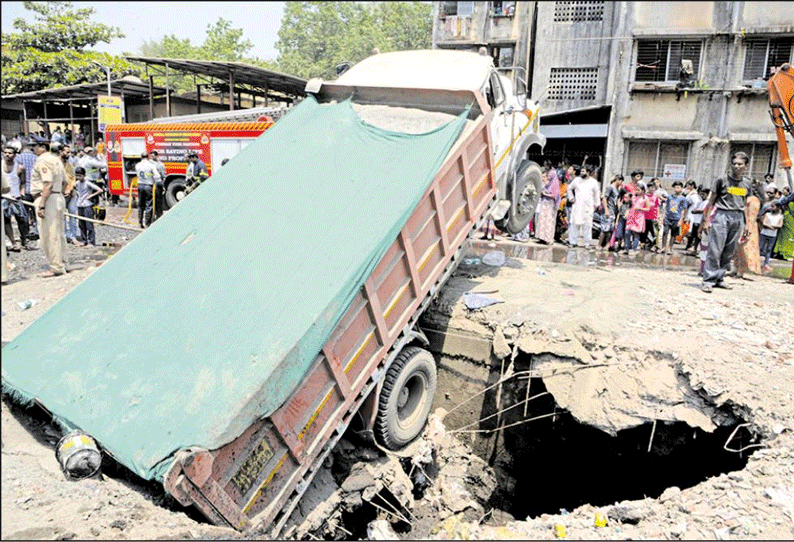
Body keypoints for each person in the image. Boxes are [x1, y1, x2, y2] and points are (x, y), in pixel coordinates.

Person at [699, 151, 752, 293]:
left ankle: (720, 278)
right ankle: (708, 280)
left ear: (746, 166)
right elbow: (711, 201)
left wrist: (747, 224)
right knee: (715, 249)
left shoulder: (747, 183)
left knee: (729, 251)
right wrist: (705, 221)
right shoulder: (722, 180)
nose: (736, 167)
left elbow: (746, 204)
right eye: (734, 164)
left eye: (740, 164)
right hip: (722, 215)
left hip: (738, 217)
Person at [30, 141, 68, 277]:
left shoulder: (43, 160)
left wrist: (42, 204)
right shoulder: (56, 160)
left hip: (47, 198)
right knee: (59, 233)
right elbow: (65, 182)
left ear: (42, 147)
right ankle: (63, 262)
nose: (32, 148)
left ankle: (56, 267)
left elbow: (48, 183)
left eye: (34, 146)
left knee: (49, 235)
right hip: (57, 196)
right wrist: (59, 195)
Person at [732, 180, 766, 278]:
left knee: (744, 249)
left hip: (747, 225)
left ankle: (740, 271)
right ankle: (735, 268)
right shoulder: (752, 199)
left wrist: (747, 228)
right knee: (738, 249)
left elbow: (751, 216)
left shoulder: (753, 200)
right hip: (745, 224)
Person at [2, 146, 30, 251]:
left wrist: (21, 193)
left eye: (10, 153)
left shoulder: (20, 167)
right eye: (5, 152)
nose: (7, 155)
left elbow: (23, 182)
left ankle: (24, 240)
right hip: (4, 197)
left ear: (14, 155)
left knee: (22, 219)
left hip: (16, 196)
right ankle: (13, 242)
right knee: (6, 220)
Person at [567, 165, 600, 248]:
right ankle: (573, 242)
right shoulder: (577, 180)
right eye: (581, 171)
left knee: (587, 225)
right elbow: (569, 188)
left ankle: (587, 243)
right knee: (575, 224)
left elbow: (596, 194)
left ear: (589, 172)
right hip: (577, 205)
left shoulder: (593, 182)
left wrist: (596, 204)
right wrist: (571, 198)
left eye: (583, 171)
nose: (581, 173)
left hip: (588, 207)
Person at [74, 167, 103, 246]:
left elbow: (100, 190)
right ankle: (84, 240)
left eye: (80, 176)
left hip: (87, 205)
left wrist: (91, 196)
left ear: (84, 175)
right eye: (77, 176)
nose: (78, 177)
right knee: (81, 224)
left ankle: (91, 241)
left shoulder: (87, 183)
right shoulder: (77, 183)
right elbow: (73, 189)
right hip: (80, 205)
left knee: (89, 224)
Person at [134, 151, 161, 228]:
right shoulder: (151, 165)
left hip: (140, 185)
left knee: (140, 205)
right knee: (148, 204)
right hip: (148, 186)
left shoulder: (137, 165)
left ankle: (140, 222)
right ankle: (147, 223)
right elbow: (157, 176)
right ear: (148, 157)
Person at [661, 180, 688, 255]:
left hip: (676, 218)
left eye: (678, 188)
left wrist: (681, 220)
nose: (677, 189)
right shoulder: (670, 197)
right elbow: (666, 207)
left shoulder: (683, 199)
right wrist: (662, 216)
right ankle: (663, 247)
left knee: (673, 234)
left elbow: (683, 210)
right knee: (665, 232)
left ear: (681, 188)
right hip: (668, 217)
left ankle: (670, 248)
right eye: (675, 188)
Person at [60, 144, 79, 244]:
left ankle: (73, 236)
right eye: (67, 152)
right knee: (62, 216)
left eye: (70, 152)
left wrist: (69, 190)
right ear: (61, 152)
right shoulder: (56, 165)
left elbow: (72, 179)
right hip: (60, 194)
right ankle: (64, 235)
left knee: (72, 215)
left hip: (71, 194)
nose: (69, 154)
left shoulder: (70, 165)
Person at [536, 168, 560, 244]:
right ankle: (541, 237)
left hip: (551, 205)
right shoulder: (547, 184)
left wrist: (545, 194)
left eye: (550, 175)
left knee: (549, 221)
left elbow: (554, 195)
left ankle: (548, 239)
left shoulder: (555, 184)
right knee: (542, 220)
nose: (549, 176)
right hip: (544, 204)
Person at [758, 200, 784, 273]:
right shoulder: (768, 214)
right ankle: (757, 263)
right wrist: (773, 227)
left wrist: (769, 226)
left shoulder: (780, 216)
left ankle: (766, 264)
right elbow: (764, 223)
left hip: (772, 235)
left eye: (773, 206)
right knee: (760, 248)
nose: (771, 208)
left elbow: (780, 225)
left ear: (778, 207)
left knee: (769, 249)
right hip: (764, 234)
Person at [624, 182, 650, 254]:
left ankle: (634, 249)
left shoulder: (646, 198)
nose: (637, 191)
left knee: (636, 233)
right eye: (636, 190)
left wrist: (640, 208)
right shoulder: (633, 197)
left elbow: (648, 209)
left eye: (638, 190)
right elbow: (630, 206)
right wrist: (627, 213)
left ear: (643, 191)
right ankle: (626, 248)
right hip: (631, 216)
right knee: (627, 232)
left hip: (639, 217)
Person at [599, 174, 621, 250]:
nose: (621, 182)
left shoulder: (617, 189)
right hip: (608, 210)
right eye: (620, 180)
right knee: (604, 229)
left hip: (613, 211)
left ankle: (607, 244)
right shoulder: (610, 187)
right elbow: (604, 198)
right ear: (617, 180)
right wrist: (606, 210)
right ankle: (599, 245)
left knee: (610, 229)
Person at [150, 150, 167, 221]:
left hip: (157, 184)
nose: (151, 157)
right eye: (151, 156)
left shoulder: (160, 165)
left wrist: (163, 184)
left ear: (157, 156)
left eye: (153, 156)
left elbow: (163, 175)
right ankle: (155, 215)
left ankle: (158, 215)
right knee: (153, 201)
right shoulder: (149, 164)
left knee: (158, 200)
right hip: (151, 184)